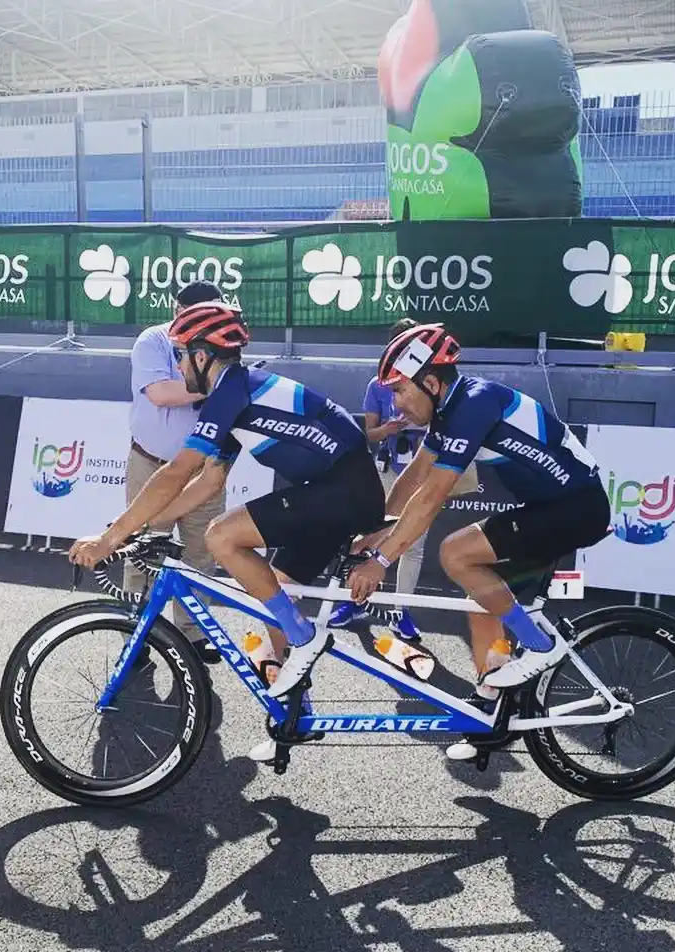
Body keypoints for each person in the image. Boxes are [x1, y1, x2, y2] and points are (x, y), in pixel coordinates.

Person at [68, 301, 386, 755]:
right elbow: (209, 480)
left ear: (203, 356)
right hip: (337, 489)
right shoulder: (238, 393)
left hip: (342, 491)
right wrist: (145, 529)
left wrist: (110, 537)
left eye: (182, 355)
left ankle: (304, 638)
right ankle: (297, 714)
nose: (178, 365)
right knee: (275, 592)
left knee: (221, 535)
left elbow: (178, 471)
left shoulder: (229, 393)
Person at [345, 322, 611, 760]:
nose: (396, 403)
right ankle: (493, 711)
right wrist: (375, 527)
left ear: (431, 383)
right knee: (480, 603)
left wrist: (381, 559)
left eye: (400, 391)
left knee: (456, 553)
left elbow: (432, 495)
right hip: (547, 508)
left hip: (577, 507)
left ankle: (541, 647)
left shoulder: (474, 403)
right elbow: (415, 474)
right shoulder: (448, 410)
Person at [125, 279, 228, 665]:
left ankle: (193, 634)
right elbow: (162, 393)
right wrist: (212, 388)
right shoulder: (152, 341)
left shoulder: (225, 347)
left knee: (202, 553)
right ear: (177, 311)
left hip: (204, 469)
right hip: (151, 463)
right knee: (142, 550)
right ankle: (136, 633)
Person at [328, 318, 427, 641]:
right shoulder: (377, 385)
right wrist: (389, 429)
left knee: (413, 546)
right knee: (372, 537)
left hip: (423, 468)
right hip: (386, 467)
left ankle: (401, 612)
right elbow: (369, 432)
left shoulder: (430, 382)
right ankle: (357, 601)